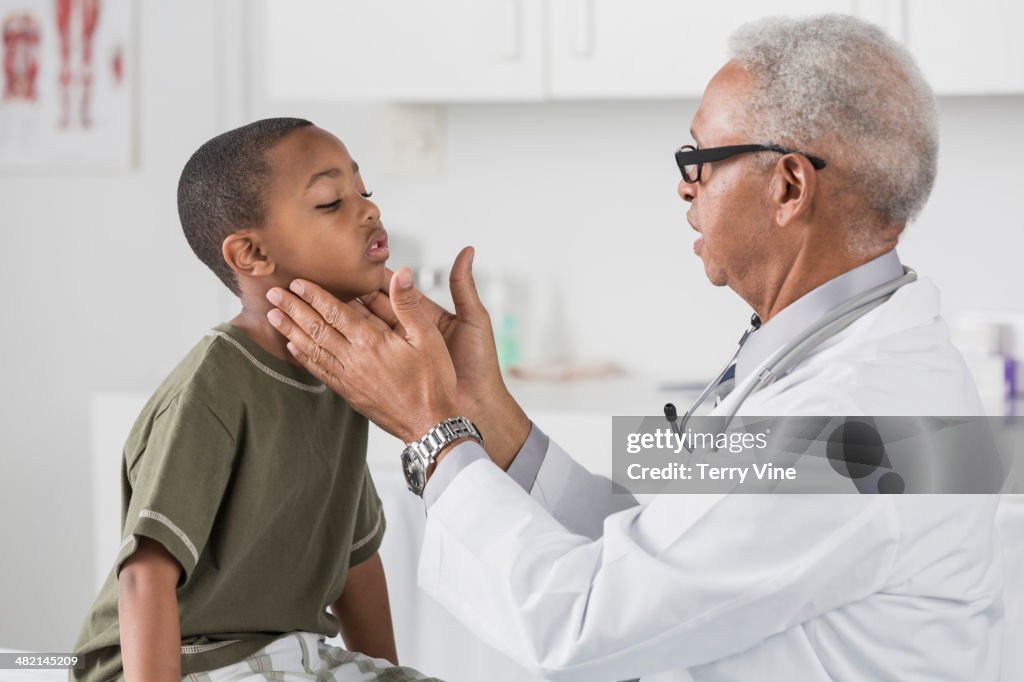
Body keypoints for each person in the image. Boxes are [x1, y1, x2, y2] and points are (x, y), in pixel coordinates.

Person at [265, 15, 1015, 682]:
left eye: (701, 159)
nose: (685, 189)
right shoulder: (845, 357)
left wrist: (433, 434)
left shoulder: (853, 421)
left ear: (789, 186)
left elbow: (581, 620)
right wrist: (486, 417)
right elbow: (659, 545)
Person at [73, 118, 440, 682]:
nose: (369, 210)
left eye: (364, 192)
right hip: (190, 659)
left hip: (293, 655)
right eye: (329, 202)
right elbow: (145, 576)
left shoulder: (341, 372)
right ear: (250, 254)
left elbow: (357, 560)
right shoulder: (213, 387)